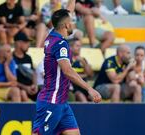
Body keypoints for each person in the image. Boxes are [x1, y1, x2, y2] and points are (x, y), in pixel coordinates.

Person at [32, 3, 101, 135]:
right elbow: (67, 71)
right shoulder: (60, 44)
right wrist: (89, 89)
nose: (73, 23)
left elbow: (67, 12)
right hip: (52, 100)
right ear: (66, 25)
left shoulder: (52, 35)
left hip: (62, 102)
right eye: (71, 21)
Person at [13, 32, 38, 101]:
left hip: (31, 89)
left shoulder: (28, 58)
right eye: (26, 42)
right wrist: (25, 87)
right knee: (22, 93)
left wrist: (34, 85)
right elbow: (10, 80)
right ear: (18, 43)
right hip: (19, 89)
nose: (28, 45)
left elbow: (33, 74)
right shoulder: (11, 58)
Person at [70, 38, 94, 102]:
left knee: (94, 97)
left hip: (84, 87)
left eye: (80, 46)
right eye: (77, 46)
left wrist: (83, 62)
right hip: (74, 88)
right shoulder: (67, 60)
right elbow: (71, 76)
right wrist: (84, 75)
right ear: (71, 47)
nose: (79, 48)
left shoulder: (82, 59)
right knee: (81, 96)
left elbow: (90, 74)